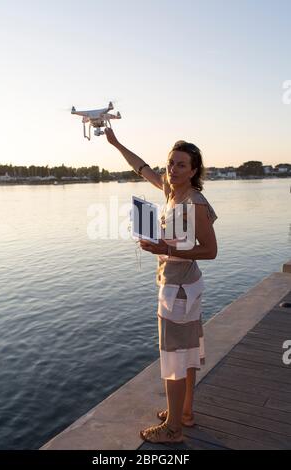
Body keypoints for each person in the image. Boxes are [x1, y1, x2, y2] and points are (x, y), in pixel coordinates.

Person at [105, 127, 218, 444]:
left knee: (174, 358)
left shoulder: (193, 202)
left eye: (181, 164)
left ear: (194, 170)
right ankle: (184, 413)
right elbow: (140, 167)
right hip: (185, 287)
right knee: (190, 353)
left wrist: (164, 249)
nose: (173, 169)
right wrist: (116, 143)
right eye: (171, 163)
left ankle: (173, 429)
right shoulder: (171, 192)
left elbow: (210, 250)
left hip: (178, 290)